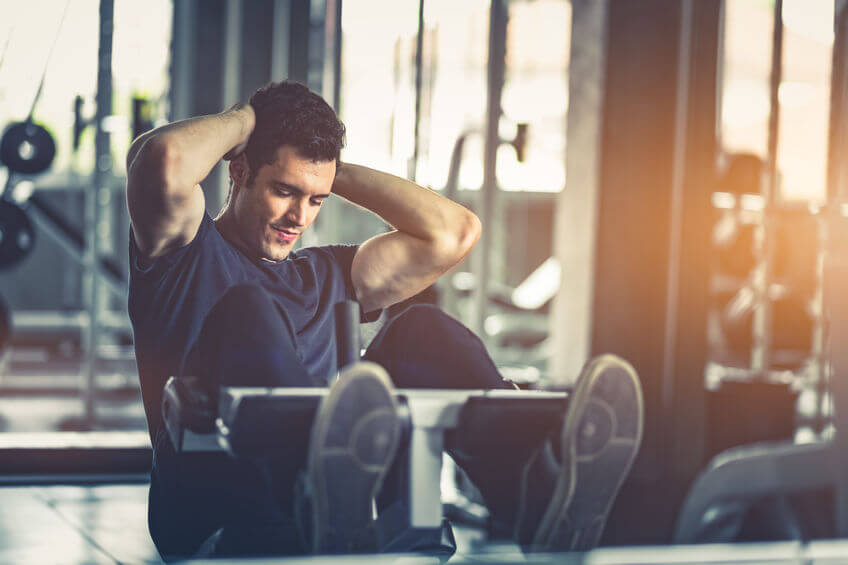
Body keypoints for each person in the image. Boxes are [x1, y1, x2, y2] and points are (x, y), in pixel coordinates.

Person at [126, 80, 644, 560]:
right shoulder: (184, 250)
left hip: (332, 510)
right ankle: (307, 489)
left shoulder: (327, 274)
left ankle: (532, 490)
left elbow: (453, 233)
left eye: (316, 199)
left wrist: (329, 166)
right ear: (238, 170)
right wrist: (248, 121)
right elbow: (166, 159)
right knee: (249, 311)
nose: (299, 218)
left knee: (423, 330)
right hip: (203, 506)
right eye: (284, 190)